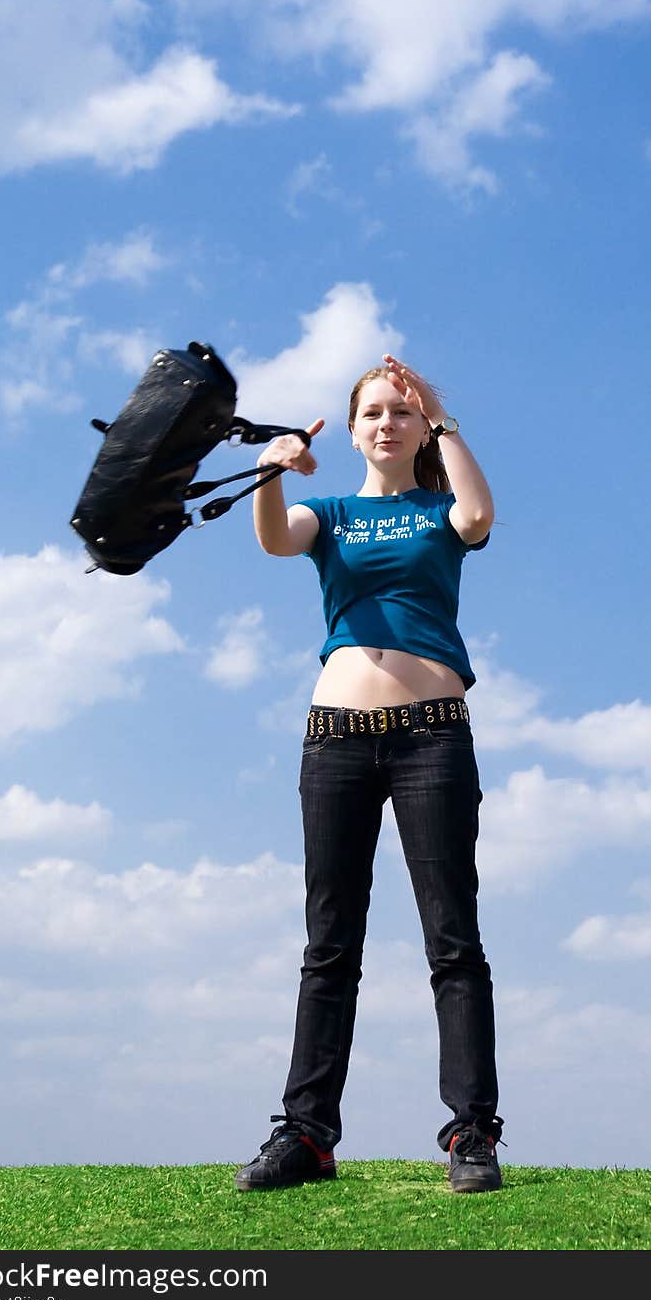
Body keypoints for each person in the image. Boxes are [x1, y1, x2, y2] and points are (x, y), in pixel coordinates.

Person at [234, 353, 503, 1194]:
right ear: (352, 431)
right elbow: (277, 539)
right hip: (335, 740)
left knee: (452, 942)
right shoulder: (332, 513)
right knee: (329, 946)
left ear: (421, 428)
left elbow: (479, 516)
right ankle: (306, 1136)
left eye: (403, 412)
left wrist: (446, 414)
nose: (388, 423)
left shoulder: (436, 510)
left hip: (431, 738)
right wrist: (271, 472)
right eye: (374, 413)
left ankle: (471, 1136)